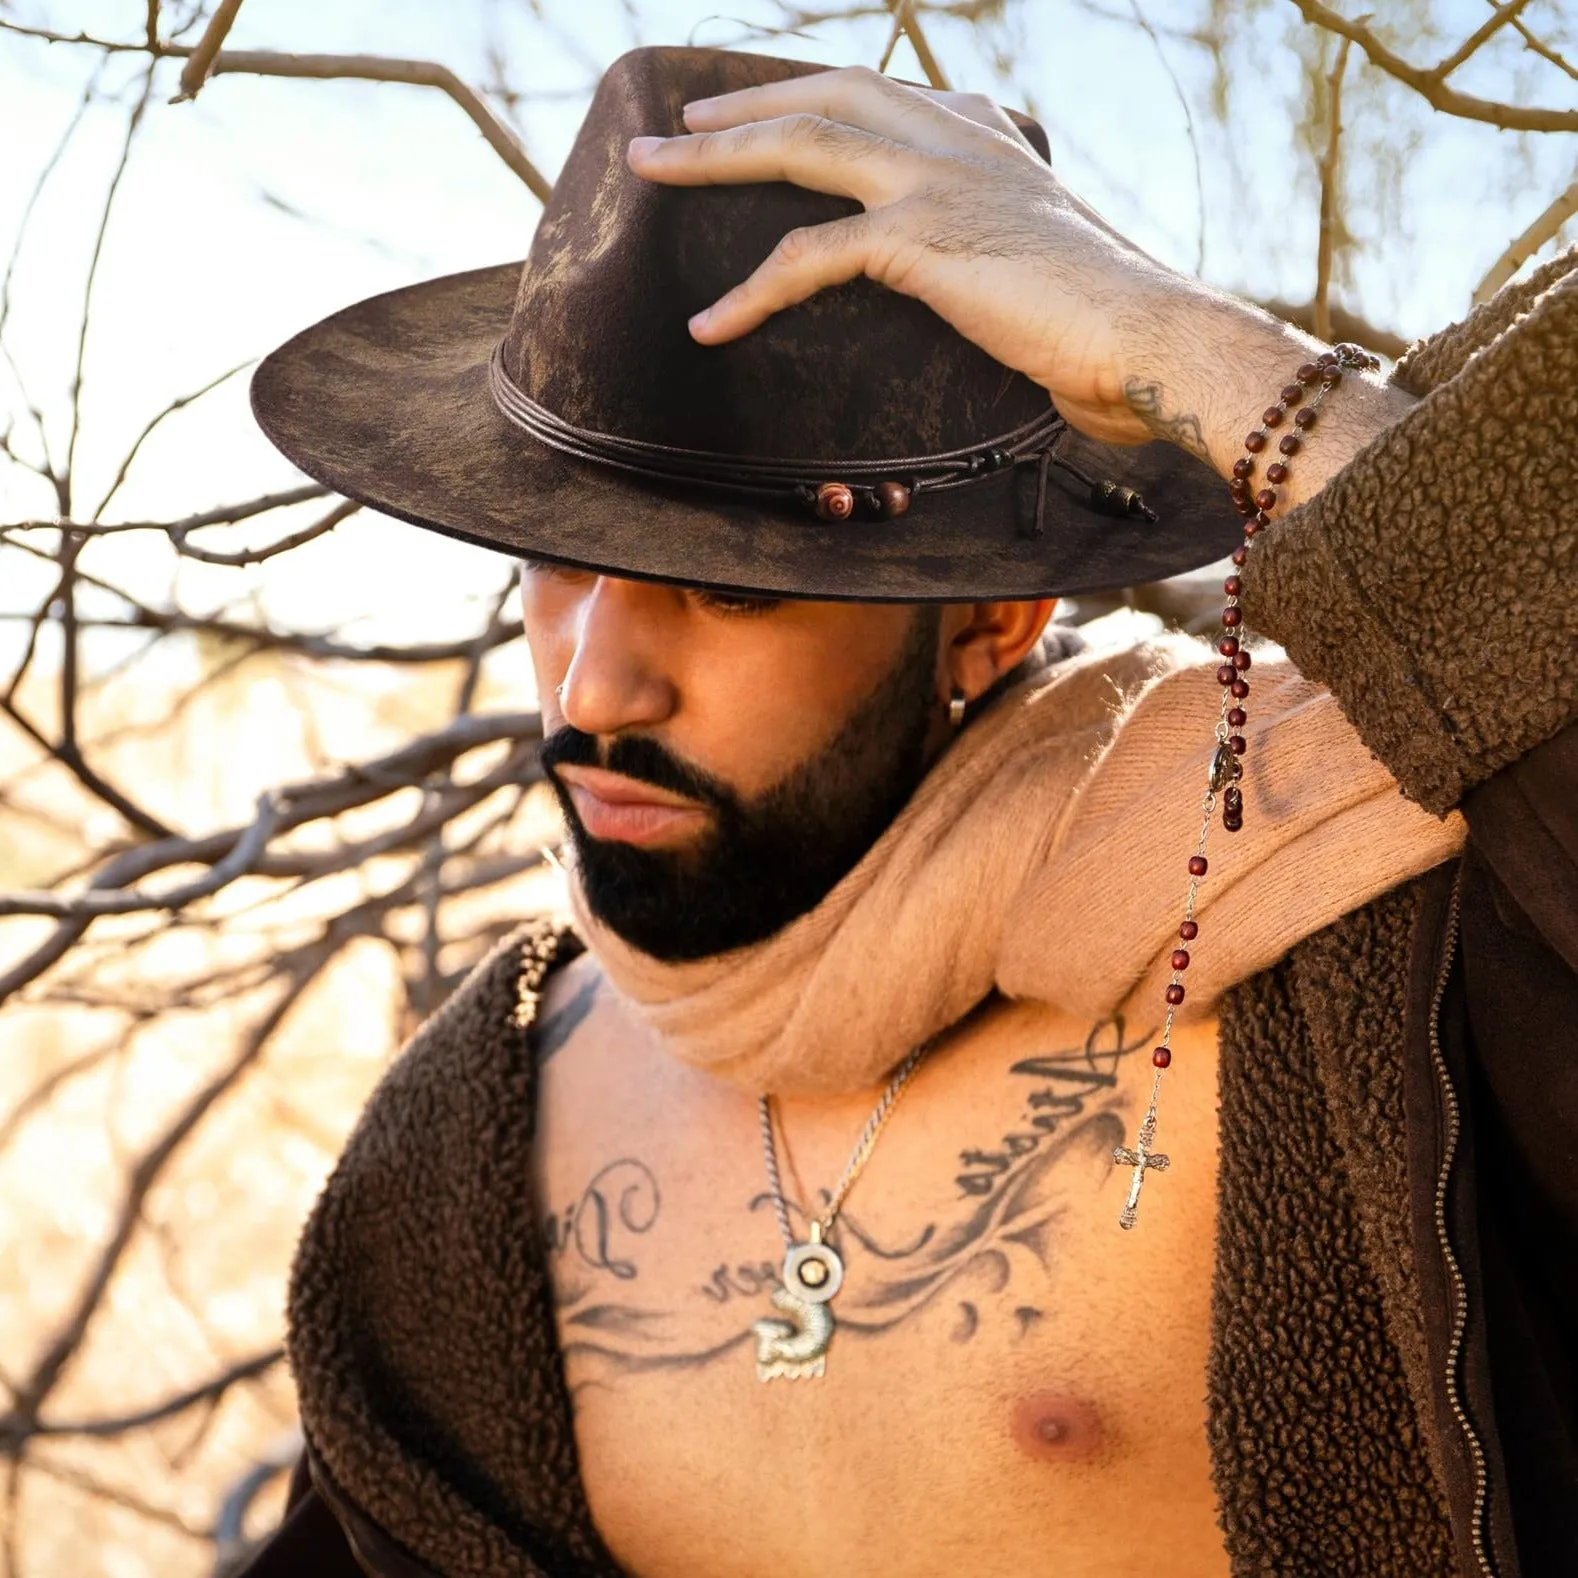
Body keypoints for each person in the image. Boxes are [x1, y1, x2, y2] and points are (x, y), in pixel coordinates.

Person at [240, 45, 1575, 1578]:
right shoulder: (461, 1149)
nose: (595, 684)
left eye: (724, 592)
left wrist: (1190, 353)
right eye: (554, 560)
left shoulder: (1353, 928)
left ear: (989, 625)